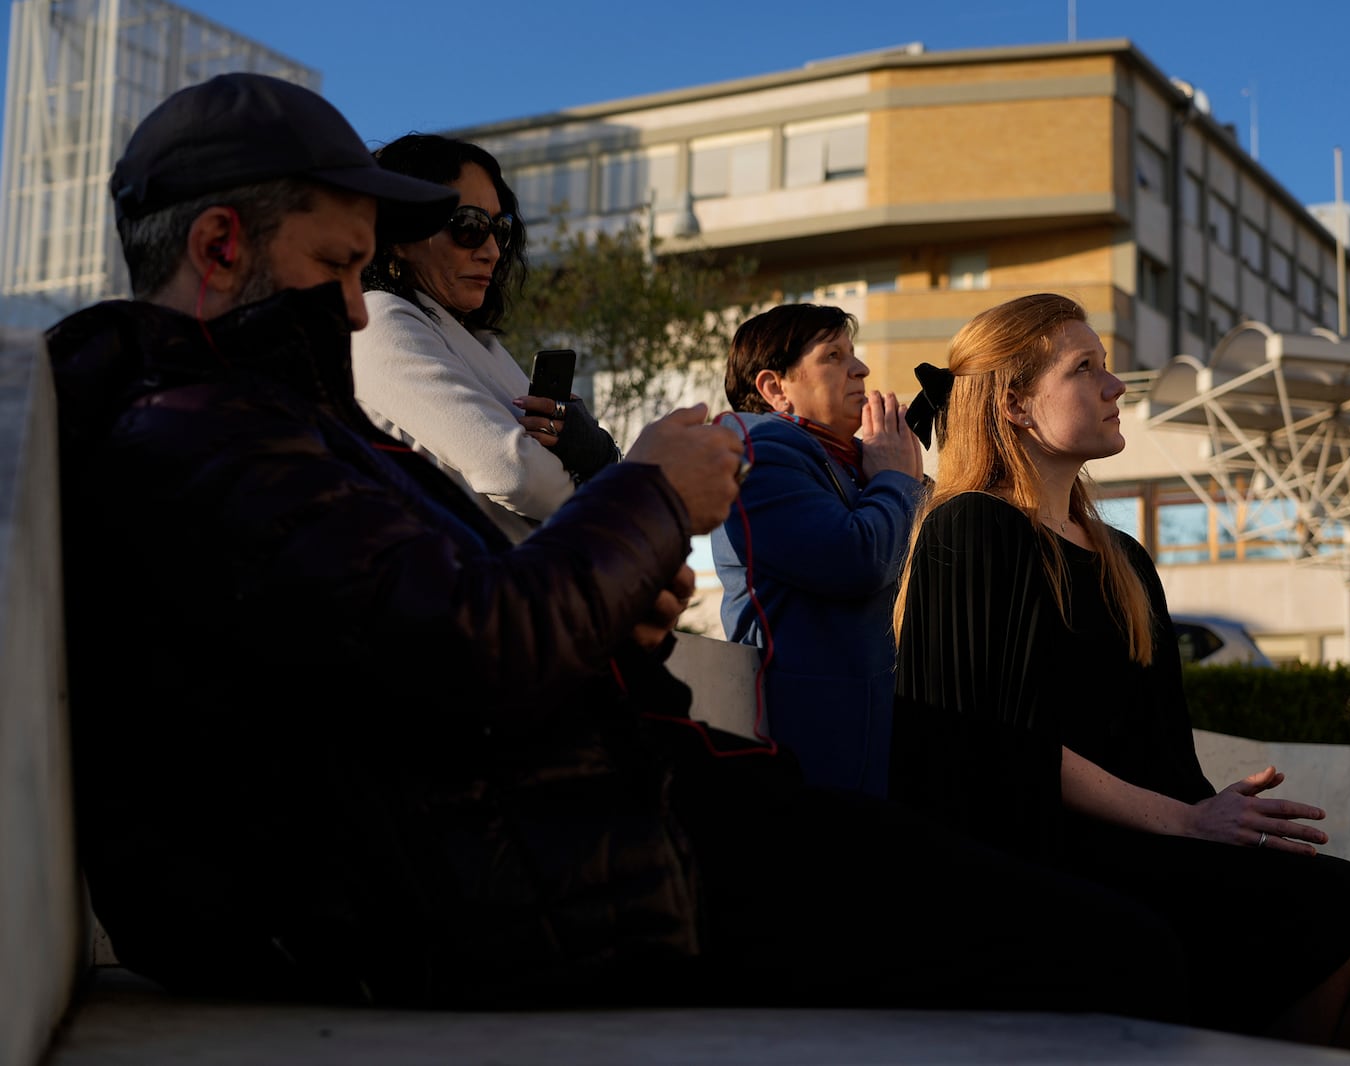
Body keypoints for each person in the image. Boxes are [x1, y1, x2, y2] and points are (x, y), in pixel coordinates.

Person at [48, 74, 1190, 1019]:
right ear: (217, 245)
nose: (357, 309)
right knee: (1109, 954)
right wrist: (647, 487)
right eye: (338, 267)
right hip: (517, 885)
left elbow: (439, 632)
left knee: (1095, 936)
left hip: (575, 845)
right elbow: (479, 641)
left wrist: (624, 621)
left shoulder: (257, 423)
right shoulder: (196, 437)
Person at [890, 293, 1350, 1051]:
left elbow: (1164, 751)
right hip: (1033, 852)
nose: (1117, 387)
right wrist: (1184, 823)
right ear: (1012, 403)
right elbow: (991, 751)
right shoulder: (971, 528)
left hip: (1137, 839)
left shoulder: (1123, 559)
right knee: (1330, 916)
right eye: (1086, 369)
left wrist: (1220, 816)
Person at [351, 134, 617, 541]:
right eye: (470, 226)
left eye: (500, 228)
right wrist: (607, 486)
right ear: (401, 234)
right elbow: (514, 471)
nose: (492, 250)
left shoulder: (476, 340)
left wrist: (589, 451)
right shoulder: (380, 319)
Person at [712, 304, 925, 796]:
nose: (861, 369)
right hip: (805, 747)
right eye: (833, 356)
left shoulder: (846, 462)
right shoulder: (757, 452)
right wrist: (895, 477)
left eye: (853, 353)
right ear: (774, 388)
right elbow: (856, 560)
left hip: (861, 740)